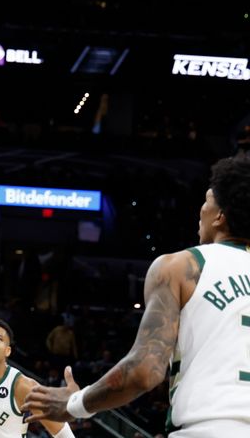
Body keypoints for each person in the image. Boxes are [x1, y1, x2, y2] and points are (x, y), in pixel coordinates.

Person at [24, 153, 250, 437]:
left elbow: (145, 372)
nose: (200, 210)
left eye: (206, 201)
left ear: (219, 216)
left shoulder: (181, 266)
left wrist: (73, 404)